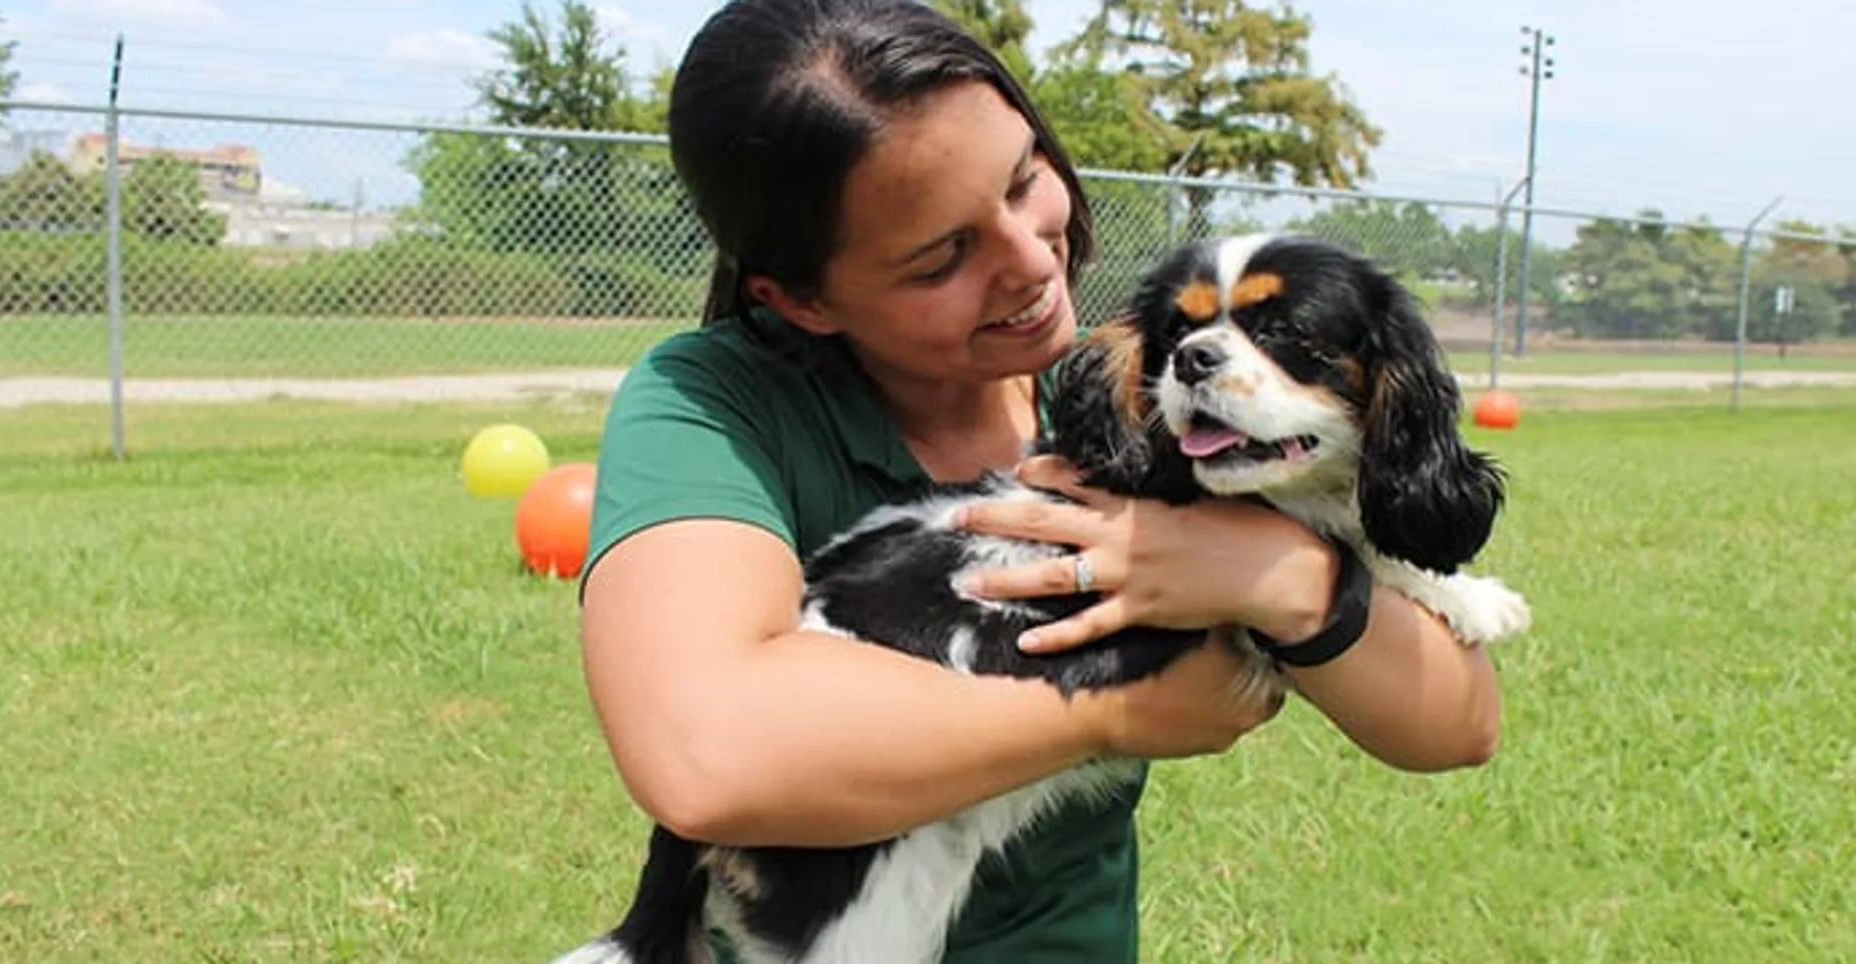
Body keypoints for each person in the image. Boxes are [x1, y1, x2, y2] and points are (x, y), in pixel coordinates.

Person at [574, 0, 1504, 959]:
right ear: (801, 297)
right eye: (943, 256)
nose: (1031, 263)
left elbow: (1457, 726)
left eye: (1025, 181)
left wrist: (1282, 578)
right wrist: (1115, 709)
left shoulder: (1134, 406)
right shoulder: (714, 403)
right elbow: (707, 759)